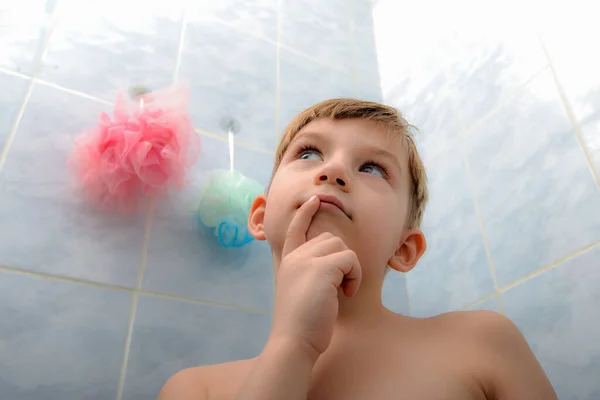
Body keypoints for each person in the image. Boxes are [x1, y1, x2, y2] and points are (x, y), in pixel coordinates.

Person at [158, 99, 557, 400]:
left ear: (404, 248)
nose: (332, 172)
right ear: (259, 216)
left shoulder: (482, 343)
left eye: (372, 168)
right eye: (309, 153)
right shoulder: (195, 390)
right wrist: (291, 345)